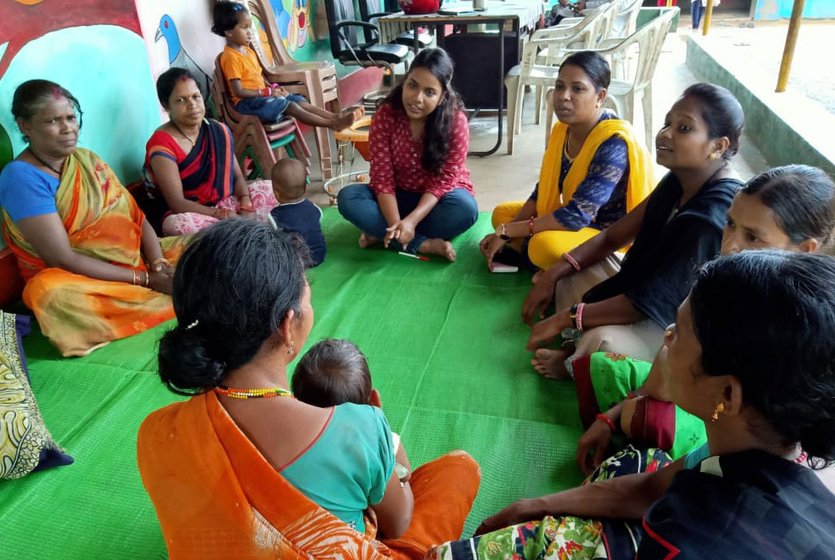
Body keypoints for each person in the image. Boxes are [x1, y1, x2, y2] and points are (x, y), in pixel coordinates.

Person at [431, 251, 835, 559]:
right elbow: (652, 486)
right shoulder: (750, 449)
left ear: (726, 395)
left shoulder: (691, 539)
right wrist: (532, 505)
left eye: (679, 334)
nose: (666, 337)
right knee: (641, 459)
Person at [137, 220, 480, 559]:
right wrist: (392, 457)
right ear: (287, 326)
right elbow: (400, 523)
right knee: (457, 471)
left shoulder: (157, 432)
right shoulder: (357, 429)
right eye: (307, 297)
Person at [573, 163, 835, 473]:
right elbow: (663, 370)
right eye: (730, 224)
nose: (732, 244)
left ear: (805, 248)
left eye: (752, 237)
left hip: (743, 452)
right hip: (711, 409)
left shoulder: (792, 333)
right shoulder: (724, 284)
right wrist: (610, 418)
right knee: (609, 369)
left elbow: (734, 426)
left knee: (647, 424)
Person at [523, 83, 744, 378]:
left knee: (602, 343)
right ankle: (578, 338)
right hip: (641, 291)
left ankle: (576, 358)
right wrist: (554, 275)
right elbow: (613, 237)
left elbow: (650, 301)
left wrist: (567, 317)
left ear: (718, 146)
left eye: (684, 128)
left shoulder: (713, 214)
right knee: (567, 270)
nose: (665, 134)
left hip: (677, 323)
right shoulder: (680, 180)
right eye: (667, 124)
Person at [0, 80, 189, 356]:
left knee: (208, 243)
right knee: (49, 293)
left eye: (70, 118)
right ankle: (178, 292)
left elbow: (137, 218)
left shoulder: (86, 159)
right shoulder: (21, 177)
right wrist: (146, 280)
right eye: (53, 121)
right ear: (25, 126)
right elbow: (62, 259)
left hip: (137, 262)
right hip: (82, 281)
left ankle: (172, 286)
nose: (67, 128)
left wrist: (158, 264)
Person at [480, 51, 654, 272]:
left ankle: (533, 257)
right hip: (574, 220)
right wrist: (506, 228)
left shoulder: (613, 143)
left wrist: (507, 232)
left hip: (606, 234)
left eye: (578, 89)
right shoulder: (562, 131)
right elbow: (542, 191)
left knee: (541, 245)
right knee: (502, 213)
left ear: (600, 97)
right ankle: (539, 258)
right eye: (560, 86)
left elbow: (575, 217)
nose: (564, 96)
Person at [337, 48, 479, 262]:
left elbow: (443, 182)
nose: (417, 98)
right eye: (412, 85)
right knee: (348, 198)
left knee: (465, 209)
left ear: (442, 97)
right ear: (404, 82)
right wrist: (398, 222)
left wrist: (411, 221)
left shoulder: (455, 122)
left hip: (437, 200)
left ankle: (383, 233)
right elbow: (382, 177)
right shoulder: (386, 114)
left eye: (429, 92)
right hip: (395, 197)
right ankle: (421, 243)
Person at [144, 67, 277, 236]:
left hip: (227, 203)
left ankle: (239, 233)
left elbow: (237, 177)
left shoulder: (219, 130)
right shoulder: (162, 143)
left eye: (195, 96)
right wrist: (220, 215)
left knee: (272, 189)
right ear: (166, 106)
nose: (192, 105)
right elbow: (176, 202)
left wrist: (244, 201)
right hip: (194, 214)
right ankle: (241, 234)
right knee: (179, 226)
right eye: (181, 100)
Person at [212, 2, 356, 131]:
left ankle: (336, 117)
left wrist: (275, 88)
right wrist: (268, 93)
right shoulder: (230, 57)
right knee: (291, 106)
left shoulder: (248, 51)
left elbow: (259, 78)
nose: (250, 32)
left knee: (299, 101)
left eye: (250, 27)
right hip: (246, 104)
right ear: (228, 32)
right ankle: (332, 125)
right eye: (244, 28)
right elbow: (239, 92)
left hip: (260, 98)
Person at [269, 158, 325, 267]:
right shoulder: (313, 207)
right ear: (305, 187)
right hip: (319, 255)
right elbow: (317, 221)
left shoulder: (274, 215)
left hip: (294, 262)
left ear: (276, 193)